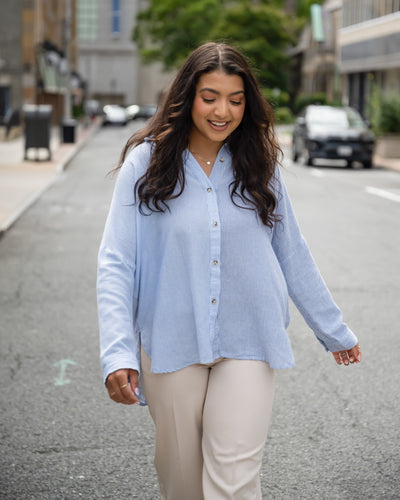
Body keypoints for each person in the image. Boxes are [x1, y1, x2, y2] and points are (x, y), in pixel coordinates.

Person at [97, 42, 362, 500]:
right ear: (186, 98)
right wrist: (118, 352)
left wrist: (333, 330)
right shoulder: (146, 162)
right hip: (172, 339)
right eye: (210, 97)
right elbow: (117, 262)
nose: (223, 111)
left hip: (249, 338)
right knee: (182, 481)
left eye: (236, 100)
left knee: (235, 480)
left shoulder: (260, 165)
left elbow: (291, 251)